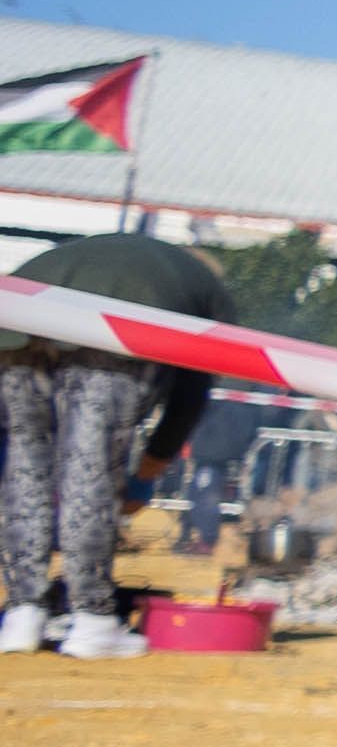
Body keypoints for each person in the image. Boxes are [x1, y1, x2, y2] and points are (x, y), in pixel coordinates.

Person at [0, 228, 239, 655]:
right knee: (88, 471)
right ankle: (92, 621)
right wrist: (147, 474)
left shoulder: (113, 251)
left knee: (24, 465)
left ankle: (23, 615)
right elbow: (190, 394)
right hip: (108, 341)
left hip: (14, 331)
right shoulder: (203, 290)